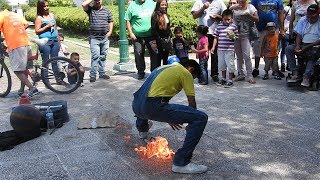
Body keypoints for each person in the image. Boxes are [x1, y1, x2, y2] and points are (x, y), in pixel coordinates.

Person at [132, 60, 208, 174]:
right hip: (151, 107)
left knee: (146, 103)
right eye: (193, 77)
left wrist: (170, 117)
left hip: (136, 105)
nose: (191, 80)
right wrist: (189, 124)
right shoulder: (185, 72)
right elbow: (192, 103)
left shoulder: (164, 67)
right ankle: (181, 163)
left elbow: (156, 92)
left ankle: (142, 130)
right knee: (201, 117)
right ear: (191, 69)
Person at [0, 9, 40, 97]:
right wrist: (16, 32)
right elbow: (26, 24)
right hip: (25, 42)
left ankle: (32, 89)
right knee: (24, 68)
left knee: (17, 70)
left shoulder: (1, 16)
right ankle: (22, 90)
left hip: (16, 44)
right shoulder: (13, 14)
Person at [191, 0, 227, 82]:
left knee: (214, 55)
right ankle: (203, 75)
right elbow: (194, 16)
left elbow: (226, 16)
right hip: (203, 34)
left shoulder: (220, 2)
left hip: (215, 33)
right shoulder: (199, 2)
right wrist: (203, 8)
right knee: (203, 56)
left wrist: (217, 17)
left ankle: (214, 74)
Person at [286, 4, 320, 87]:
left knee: (314, 52)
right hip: (303, 43)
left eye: (313, 17)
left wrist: (306, 47)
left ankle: (306, 77)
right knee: (289, 48)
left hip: (315, 44)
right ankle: (295, 72)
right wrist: (298, 46)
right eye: (309, 16)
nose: (310, 18)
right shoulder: (303, 20)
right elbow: (299, 35)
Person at [125, 0, 158, 79]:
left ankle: (154, 72)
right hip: (137, 36)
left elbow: (159, 14)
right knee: (139, 54)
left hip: (151, 35)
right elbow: (127, 19)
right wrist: (130, 33)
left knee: (155, 53)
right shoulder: (132, 5)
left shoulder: (152, 3)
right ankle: (140, 72)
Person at [251, 0, 285, 78]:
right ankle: (256, 68)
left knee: (274, 48)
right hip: (260, 28)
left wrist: (282, 29)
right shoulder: (255, 0)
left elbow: (281, 13)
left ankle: (275, 69)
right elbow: (252, 12)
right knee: (258, 48)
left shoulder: (278, 0)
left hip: (273, 28)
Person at [82, 0, 113, 83]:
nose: (98, 1)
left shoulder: (107, 11)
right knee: (95, 56)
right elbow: (83, 4)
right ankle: (93, 75)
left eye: (99, 0)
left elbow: (111, 21)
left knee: (103, 56)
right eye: (96, 0)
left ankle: (102, 73)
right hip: (94, 38)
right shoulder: (91, 10)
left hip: (105, 38)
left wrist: (110, 32)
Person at [230, 0, 259, 84]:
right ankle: (241, 74)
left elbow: (257, 19)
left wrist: (249, 16)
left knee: (247, 56)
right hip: (235, 35)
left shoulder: (251, 7)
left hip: (246, 35)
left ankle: (249, 75)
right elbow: (227, 17)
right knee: (239, 56)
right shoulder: (233, 8)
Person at [35, 0, 63, 84]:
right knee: (46, 61)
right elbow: (37, 31)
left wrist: (59, 40)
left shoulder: (52, 15)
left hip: (55, 41)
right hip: (45, 42)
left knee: (55, 60)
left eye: (47, 6)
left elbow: (55, 28)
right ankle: (46, 80)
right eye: (44, 6)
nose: (47, 8)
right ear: (40, 7)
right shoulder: (39, 18)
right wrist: (47, 26)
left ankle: (58, 79)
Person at [212, 9, 238, 88]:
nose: (226, 21)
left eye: (228, 19)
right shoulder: (219, 26)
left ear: (232, 18)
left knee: (230, 64)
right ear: (222, 18)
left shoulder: (233, 26)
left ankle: (230, 80)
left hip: (229, 49)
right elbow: (215, 37)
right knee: (222, 64)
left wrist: (232, 36)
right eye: (225, 19)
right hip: (220, 49)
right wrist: (213, 47)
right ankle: (223, 78)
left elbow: (237, 37)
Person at [151, 0, 172, 66]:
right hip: (159, 40)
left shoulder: (166, 14)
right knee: (158, 59)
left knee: (165, 59)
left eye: (165, 5)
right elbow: (153, 29)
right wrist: (154, 42)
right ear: (158, 5)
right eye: (162, 5)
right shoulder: (155, 15)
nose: (164, 6)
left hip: (167, 40)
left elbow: (168, 27)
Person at [280, 0, 293, 72]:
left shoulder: (298, 9)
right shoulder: (286, 8)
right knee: (284, 49)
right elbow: (281, 18)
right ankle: (283, 64)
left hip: (294, 32)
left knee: (291, 50)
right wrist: (281, 29)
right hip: (285, 32)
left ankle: (289, 65)